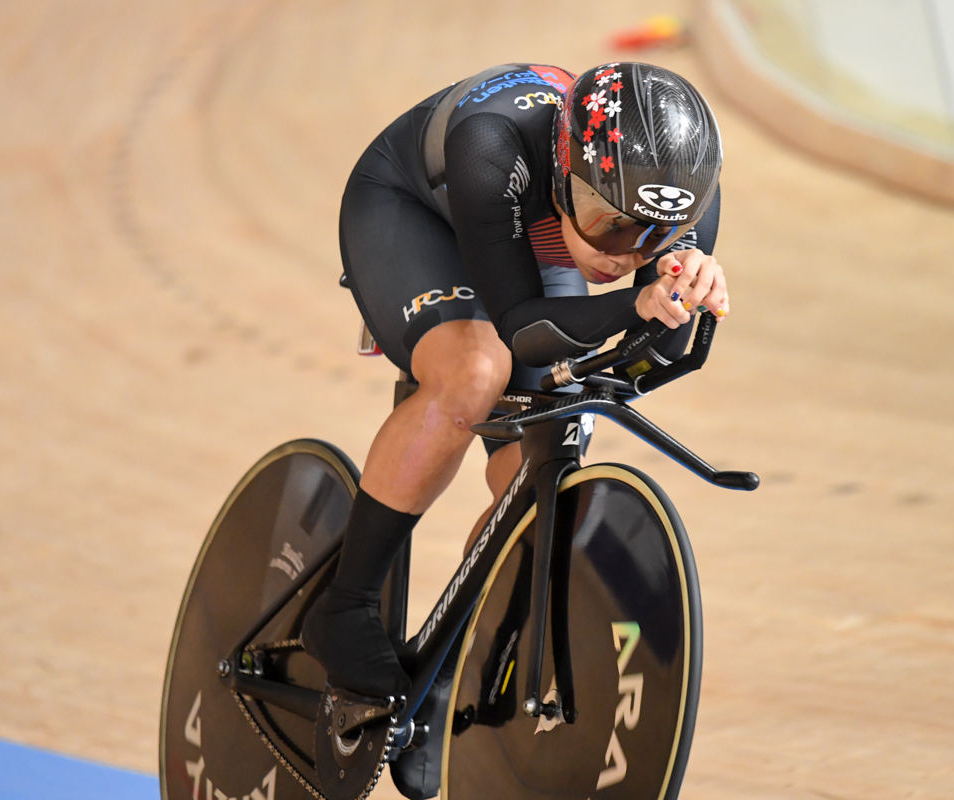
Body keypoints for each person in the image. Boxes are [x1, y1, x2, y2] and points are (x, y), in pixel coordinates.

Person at [300, 62, 729, 702]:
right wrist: (636, 304)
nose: (624, 257)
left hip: (532, 243)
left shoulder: (679, 195)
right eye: (608, 222)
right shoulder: (490, 144)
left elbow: (642, 361)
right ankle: (344, 604)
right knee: (474, 370)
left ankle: (443, 672)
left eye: (653, 238)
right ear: (563, 175)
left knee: (539, 480)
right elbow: (524, 329)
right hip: (414, 215)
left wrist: (683, 302)